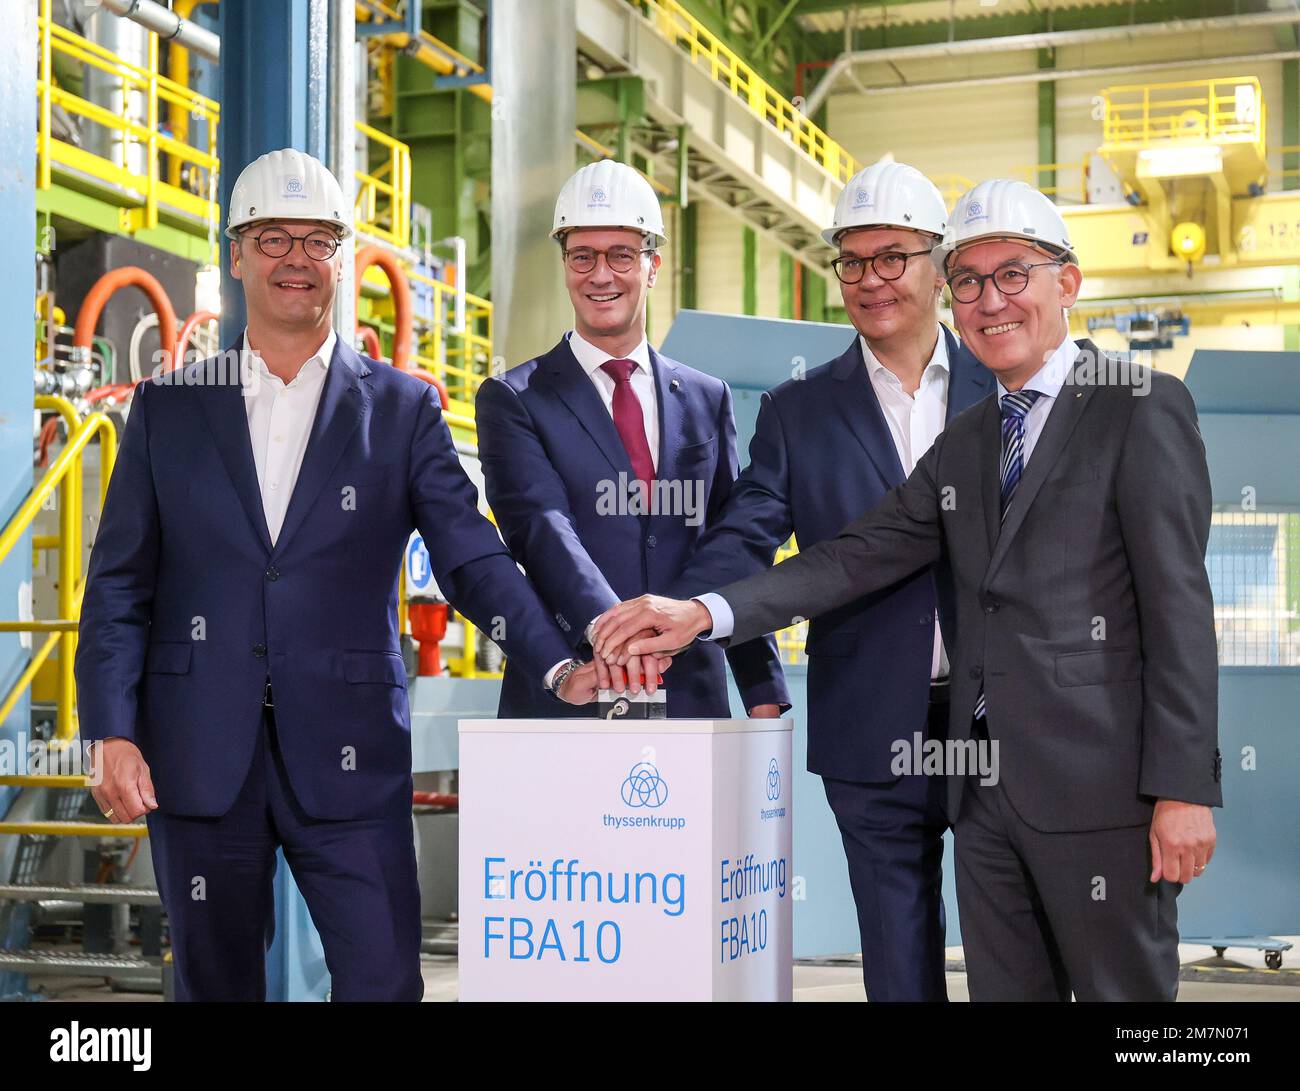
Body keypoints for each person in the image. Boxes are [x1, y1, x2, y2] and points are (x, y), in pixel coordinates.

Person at [593, 179, 1221, 1002]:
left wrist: (1182, 789)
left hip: (1098, 788)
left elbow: (1179, 610)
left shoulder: (1137, 406)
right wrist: (703, 612)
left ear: (1066, 282)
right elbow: (856, 555)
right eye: (971, 282)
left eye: (1013, 275)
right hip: (985, 795)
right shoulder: (969, 443)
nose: (989, 300)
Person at [74, 149, 634, 1002]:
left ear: (343, 256)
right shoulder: (169, 408)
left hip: (352, 749)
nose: (296, 258)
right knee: (212, 986)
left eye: (318, 239)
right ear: (235, 253)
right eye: (273, 238)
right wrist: (110, 728)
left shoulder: (402, 408)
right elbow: (119, 585)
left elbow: (470, 552)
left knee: (381, 980)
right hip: (196, 754)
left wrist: (556, 659)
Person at [628, 160, 994, 1000]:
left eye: (892, 256)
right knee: (899, 968)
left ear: (939, 263)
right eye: (853, 261)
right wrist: (693, 609)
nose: (871, 281)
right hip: (869, 724)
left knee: (1013, 954)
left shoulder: (1001, 383)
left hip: (999, 720)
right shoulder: (801, 410)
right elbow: (747, 534)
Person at [475, 159, 788, 719]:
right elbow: (540, 526)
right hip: (575, 686)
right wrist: (611, 631)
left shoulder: (705, 397)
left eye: (621, 255)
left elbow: (731, 543)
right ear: (565, 265)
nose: (601, 275)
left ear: (652, 266)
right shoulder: (514, 398)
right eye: (582, 256)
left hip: (690, 686)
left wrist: (762, 689)